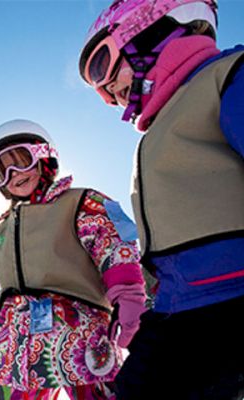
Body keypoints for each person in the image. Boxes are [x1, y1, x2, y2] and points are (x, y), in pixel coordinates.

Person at [78, 0, 244, 398]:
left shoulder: (226, 78)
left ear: (145, 29)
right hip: (179, 307)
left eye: (102, 66)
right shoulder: (161, 128)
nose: (106, 93)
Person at [0, 119, 146, 399]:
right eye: (1, 169)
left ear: (43, 155)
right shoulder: (0, 230)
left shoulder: (82, 201)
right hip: (15, 347)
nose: (13, 173)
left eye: (20, 159)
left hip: (79, 332)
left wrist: (130, 297)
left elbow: (115, 247)